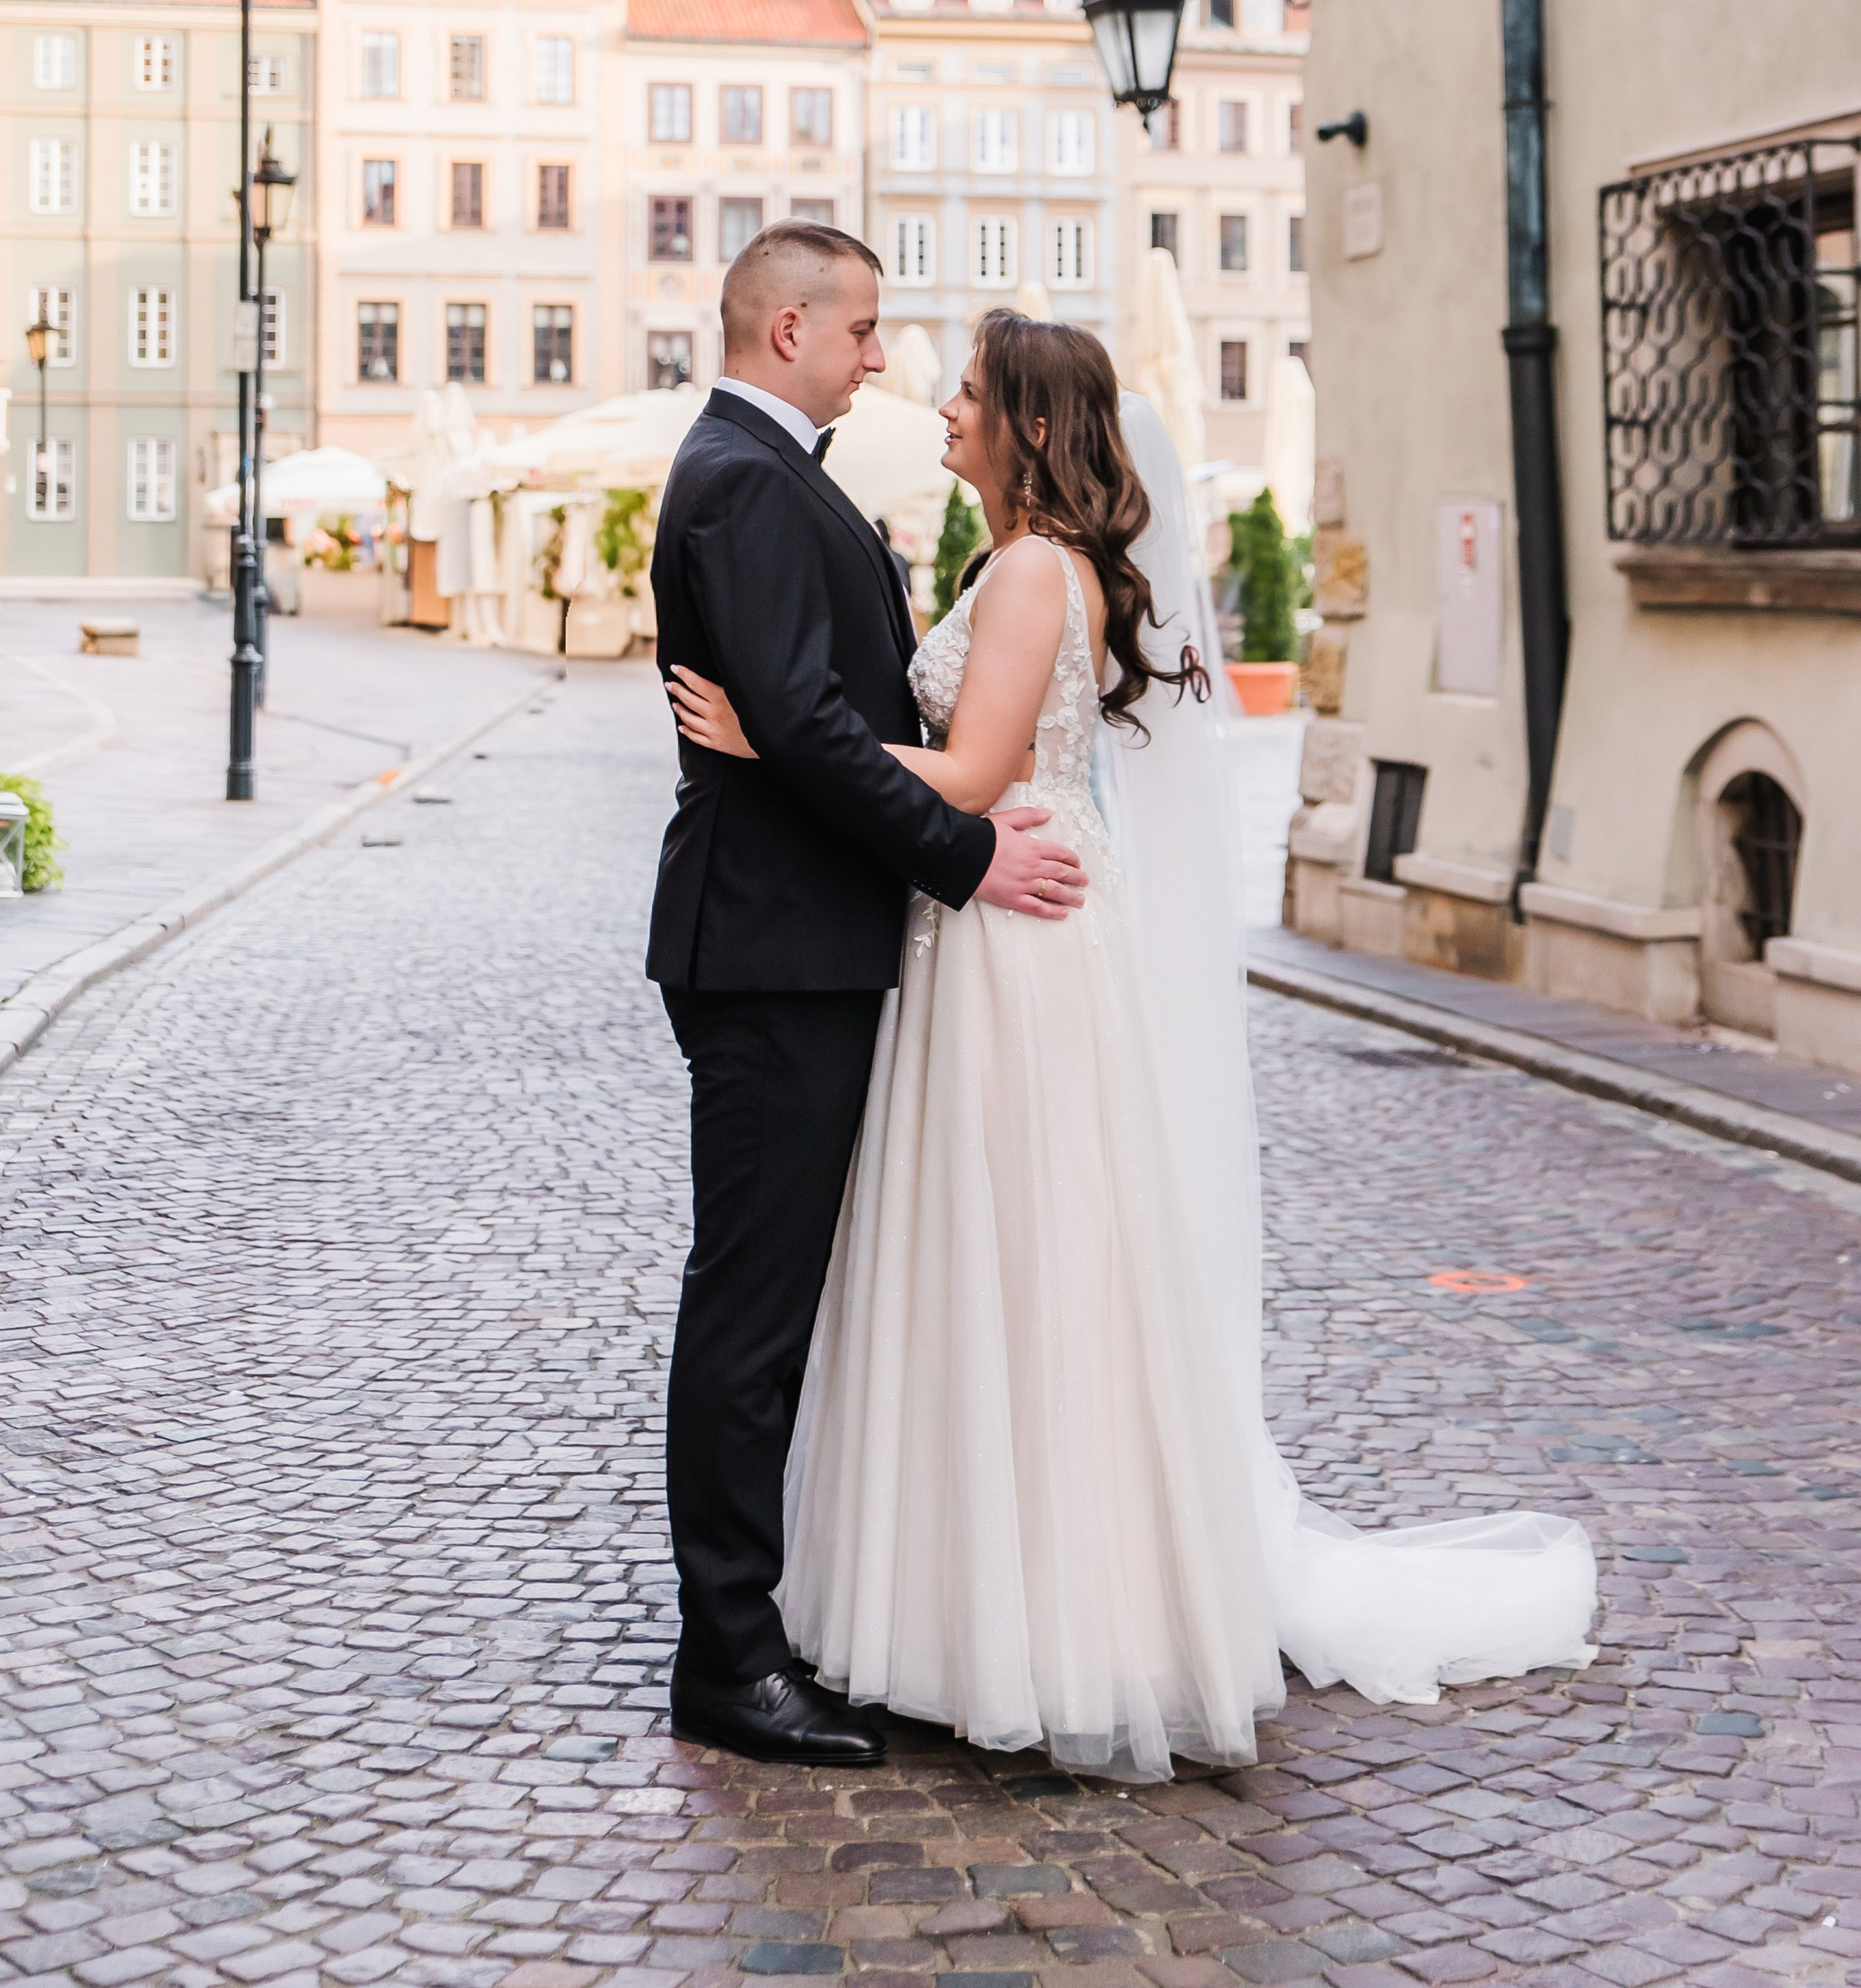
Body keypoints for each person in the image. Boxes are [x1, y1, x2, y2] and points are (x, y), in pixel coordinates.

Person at [668, 308, 1597, 1778]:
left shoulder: (1036, 570)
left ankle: (1044, 1624)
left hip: (1016, 941)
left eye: (972, 392)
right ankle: (972, 1605)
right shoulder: (1015, 563)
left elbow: (975, 772)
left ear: (1031, 427)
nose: (946, 405)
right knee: (992, 1265)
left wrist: (762, 741)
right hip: (987, 927)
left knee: (1031, 1270)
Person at [648, 227, 1090, 1770]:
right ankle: (730, 1659)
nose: (883, 357)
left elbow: (814, 724)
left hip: (803, 941)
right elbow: (810, 731)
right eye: (866, 330)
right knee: (751, 1311)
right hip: (771, 950)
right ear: (789, 330)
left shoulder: (777, 474)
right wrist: (969, 857)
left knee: (771, 1306)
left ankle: (756, 1632)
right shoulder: (748, 481)